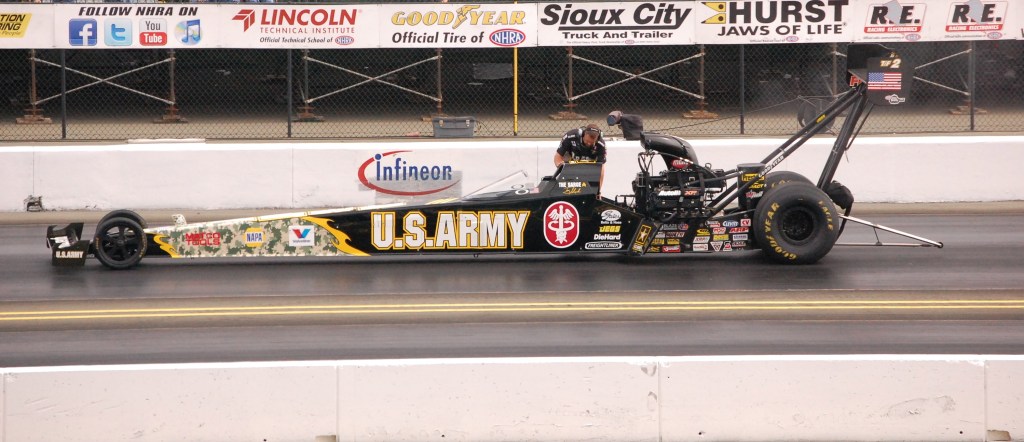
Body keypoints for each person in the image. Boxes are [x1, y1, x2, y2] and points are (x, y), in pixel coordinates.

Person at [553, 123, 607, 192]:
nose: (589, 144)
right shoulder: (570, 137)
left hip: (588, 167)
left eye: (592, 143)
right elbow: (558, 156)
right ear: (583, 134)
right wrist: (562, 169)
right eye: (587, 141)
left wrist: (598, 191)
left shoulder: (601, 145)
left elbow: (601, 168)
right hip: (569, 162)